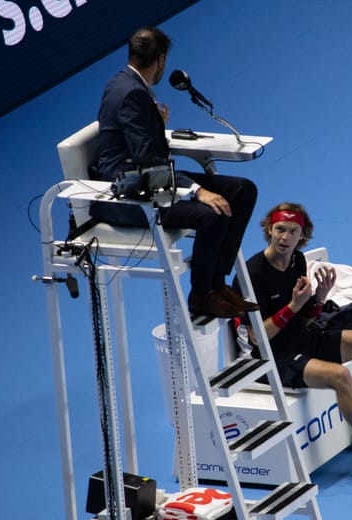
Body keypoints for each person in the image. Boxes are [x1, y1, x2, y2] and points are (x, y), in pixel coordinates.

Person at [234, 202, 352, 488]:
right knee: (341, 376)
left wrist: (319, 299)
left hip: (303, 339)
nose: (284, 237)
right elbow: (258, 338)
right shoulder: (252, 275)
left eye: (292, 231)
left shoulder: (297, 261)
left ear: (302, 235)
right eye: (279, 230)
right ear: (269, 230)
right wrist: (294, 305)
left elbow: (307, 317)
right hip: (272, 358)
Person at [92, 26, 258, 318]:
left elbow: (143, 146)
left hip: (148, 179)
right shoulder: (131, 93)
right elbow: (148, 160)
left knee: (242, 190)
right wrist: (198, 191)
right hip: (130, 195)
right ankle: (202, 295)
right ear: (161, 59)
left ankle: (217, 283)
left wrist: (157, 123)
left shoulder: (122, 83)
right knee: (212, 213)